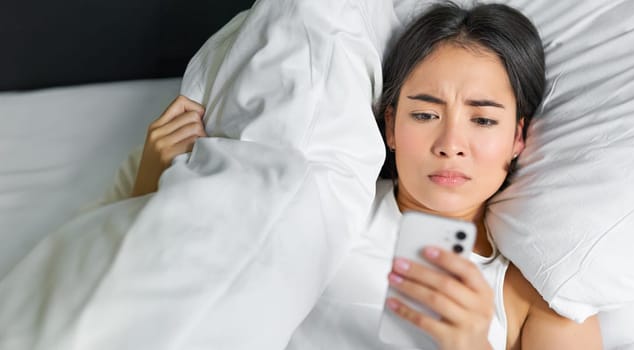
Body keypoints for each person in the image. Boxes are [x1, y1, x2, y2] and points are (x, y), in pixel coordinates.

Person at [132, 2, 601, 349]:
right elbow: (165, 294)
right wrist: (151, 184)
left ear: (518, 137)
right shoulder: (320, 205)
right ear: (390, 126)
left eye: (482, 120)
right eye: (424, 115)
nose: (451, 143)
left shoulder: (544, 296)